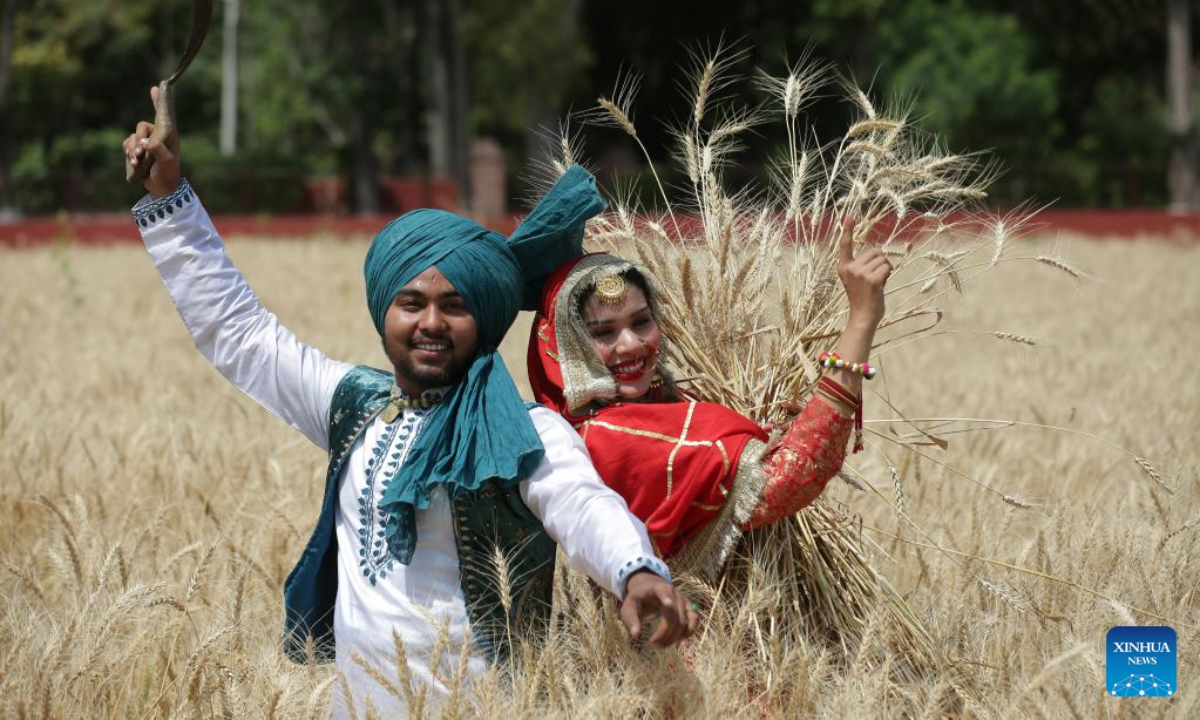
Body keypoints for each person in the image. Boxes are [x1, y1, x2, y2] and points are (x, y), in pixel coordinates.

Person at [122, 88, 695, 717]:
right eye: (411, 303)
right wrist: (169, 202)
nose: (431, 323)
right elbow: (238, 333)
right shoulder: (352, 407)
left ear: (483, 317)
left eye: (455, 306)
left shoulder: (523, 432)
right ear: (383, 311)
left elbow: (581, 505)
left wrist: (634, 571)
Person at [527, 242, 890, 577]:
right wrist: (861, 319)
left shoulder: (654, 408)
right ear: (569, 351)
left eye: (641, 322)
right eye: (604, 333)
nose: (631, 344)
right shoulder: (613, 438)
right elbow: (790, 477)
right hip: (702, 640)